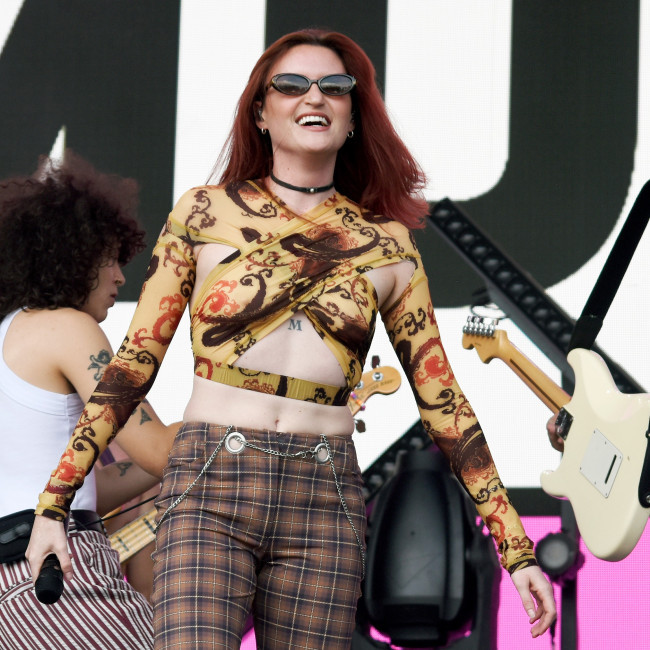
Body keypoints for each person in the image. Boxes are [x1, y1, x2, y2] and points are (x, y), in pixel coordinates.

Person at [27, 30, 556, 649]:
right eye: (291, 84)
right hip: (211, 477)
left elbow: (444, 403)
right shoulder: (204, 213)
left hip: (324, 492)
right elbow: (134, 363)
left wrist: (517, 549)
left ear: (354, 116)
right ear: (261, 111)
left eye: (335, 86)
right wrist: (54, 504)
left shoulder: (388, 243)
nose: (315, 97)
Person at [0, 151, 177, 650]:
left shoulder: (11, 333)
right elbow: (157, 448)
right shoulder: (67, 326)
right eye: (110, 258)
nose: (120, 277)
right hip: (58, 571)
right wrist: (250, 412)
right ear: (71, 255)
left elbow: (86, 488)